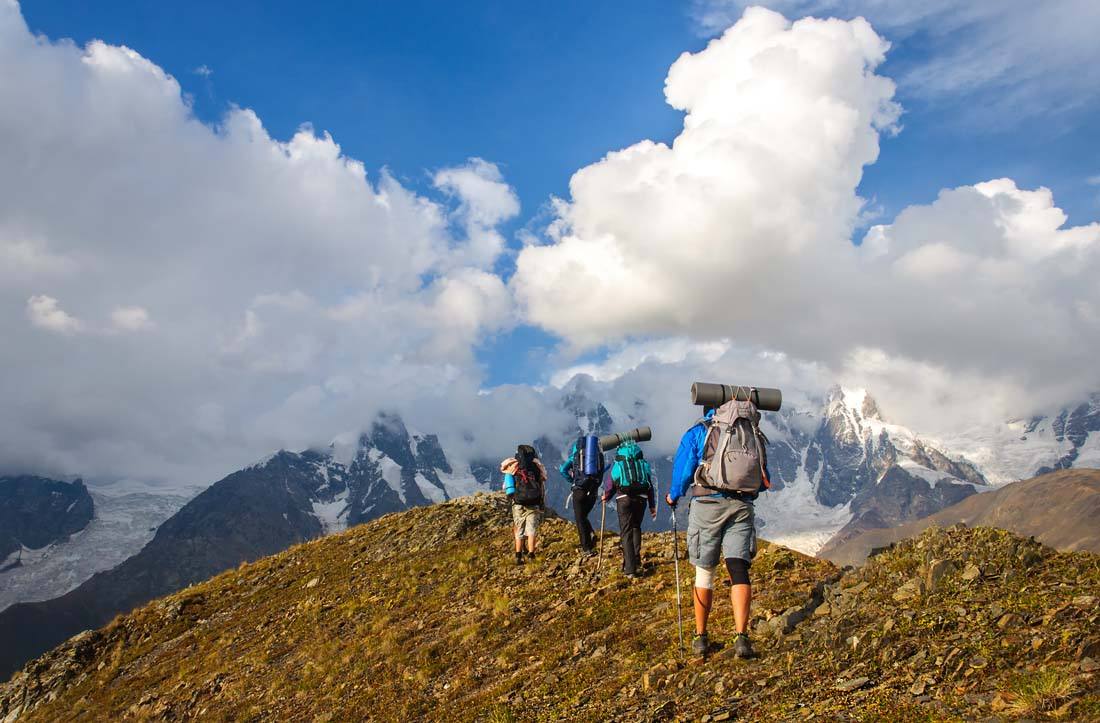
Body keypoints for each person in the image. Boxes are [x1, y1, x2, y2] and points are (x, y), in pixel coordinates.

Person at [666, 399, 771, 659]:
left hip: (707, 505)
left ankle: (701, 638)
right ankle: (741, 638)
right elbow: (763, 478)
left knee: (705, 571)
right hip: (742, 505)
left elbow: (683, 469)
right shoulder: (750, 430)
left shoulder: (700, 431)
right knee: (738, 568)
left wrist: (673, 495)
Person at [601, 440, 656, 578]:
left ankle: (630, 569)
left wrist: (606, 497)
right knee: (636, 527)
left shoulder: (619, 464)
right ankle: (636, 560)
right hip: (642, 499)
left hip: (624, 499)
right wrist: (652, 505)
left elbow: (611, 483)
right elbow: (650, 485)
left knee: (626, 532)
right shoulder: (643, 464)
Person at [501, 444, 548, 565]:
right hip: (534, 502)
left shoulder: (513, 466)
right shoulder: (536, 467)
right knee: (531, 530)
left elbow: (507, 487)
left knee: (519, 529)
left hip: (518, 503)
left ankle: (518, 556)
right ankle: (531, 554)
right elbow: (542, 484)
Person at [559, 435, 605, 556]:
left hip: (579, 490)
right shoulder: (598, 457)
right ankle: (590, 533)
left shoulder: (574, 457)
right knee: (584, 516)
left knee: (580, 518)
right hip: (593, 492)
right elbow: (601, 473)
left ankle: (587, 548)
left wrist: (572, 480)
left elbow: (563, 470)